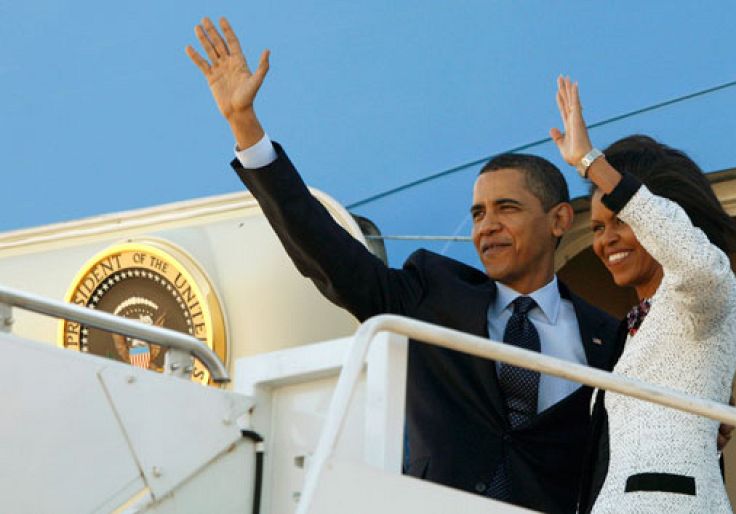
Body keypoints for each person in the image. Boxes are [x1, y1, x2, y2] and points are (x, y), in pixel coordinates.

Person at [186, 17, 620, 513]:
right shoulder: (429, 292)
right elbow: (325, 250)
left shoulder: (607, 338)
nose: (486, 226)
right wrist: (246, 127)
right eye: (478, 213)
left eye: (508, 209)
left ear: (560, 219)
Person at [550, 76, 736, 512]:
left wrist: (589, 160)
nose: (605, 241)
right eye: (598, 228)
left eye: (620, 220)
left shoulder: (703, 291)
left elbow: (692, 260)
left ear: (666, 217)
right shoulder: (637, 329)